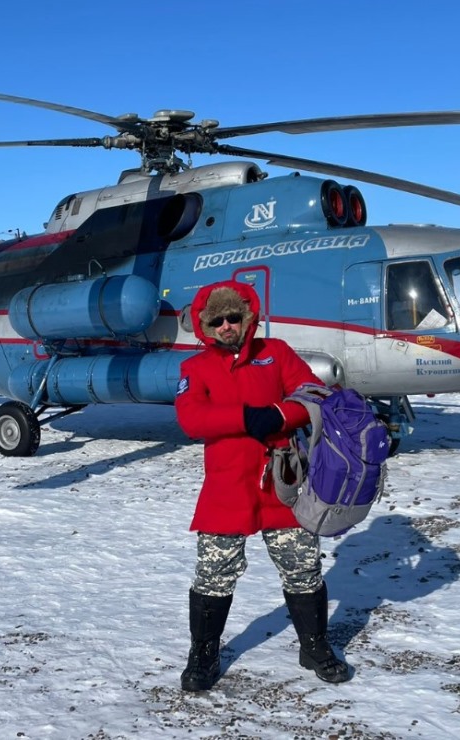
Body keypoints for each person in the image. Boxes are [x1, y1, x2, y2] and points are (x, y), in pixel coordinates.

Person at [173, 280, 351, 692]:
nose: (226, 326)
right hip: (227, 489)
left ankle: (315, 644)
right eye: (216, 321)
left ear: (247, 317)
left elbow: (312, 393)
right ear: (205, 326)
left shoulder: (277, 354)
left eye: (234, 317)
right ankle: (203, 653)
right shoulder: (194, 369)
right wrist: (245, 418)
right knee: (214, 574)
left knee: (303, 568)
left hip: (282, 484)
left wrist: (280, 416)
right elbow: (192, 418)